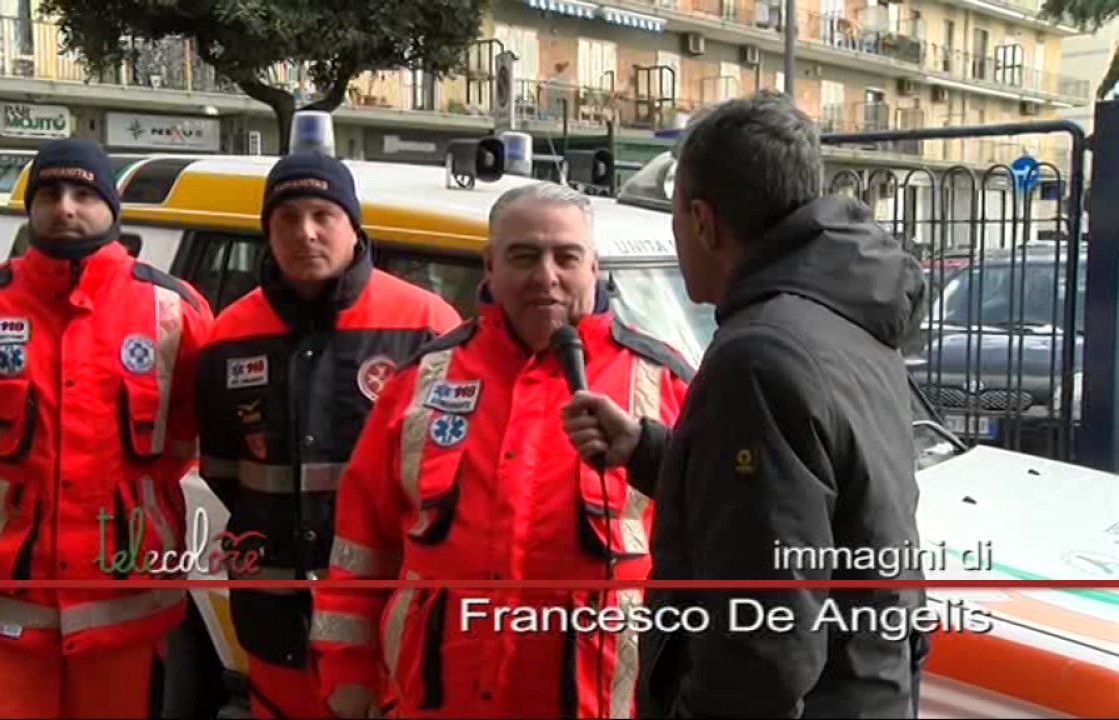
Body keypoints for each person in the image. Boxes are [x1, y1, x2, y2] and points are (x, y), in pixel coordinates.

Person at [562, 90, 929, 718]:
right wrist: (651, 450)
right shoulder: (845, 319)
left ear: (704, 223)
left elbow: (761, 649)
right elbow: (816, 502)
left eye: (676, 220)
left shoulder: (760, 354)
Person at [310, 182, 692, 719]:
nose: (546, 276)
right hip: (437, 700)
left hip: (599, 701)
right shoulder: (421, 381)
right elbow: (360, 545)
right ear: (489, 265)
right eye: (524, 256)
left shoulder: (665, 383)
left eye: (566, 257)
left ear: (593, 265)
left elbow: (718, 553)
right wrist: (347, 672)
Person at [0, 138, 214, 718]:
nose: (65, 206)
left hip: (126, 596)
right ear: (31, 207)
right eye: (49, 192)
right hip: (4, 602)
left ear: (112, 208)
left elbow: (189, 438)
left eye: (83, 192)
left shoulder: (176, 310)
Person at [196, 151, 462, 720]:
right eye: (287, 218)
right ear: (268, 231)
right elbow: (223, 469)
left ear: (353, 225)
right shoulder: (229, 335)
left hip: (387, 614)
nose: (306, 232)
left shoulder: (426, 326)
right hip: (274, 615)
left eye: (323, 215)